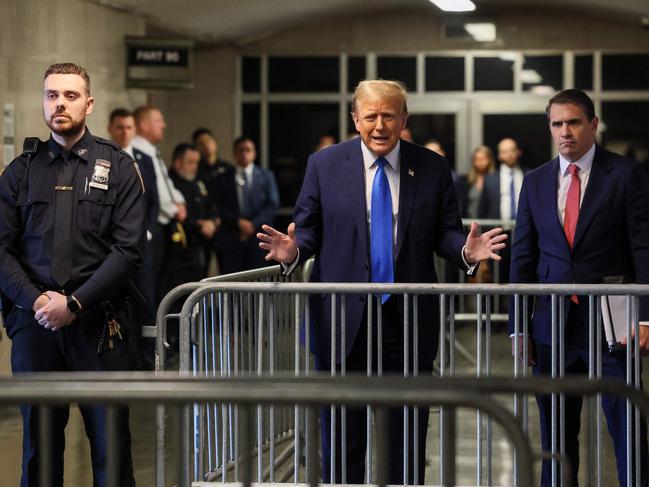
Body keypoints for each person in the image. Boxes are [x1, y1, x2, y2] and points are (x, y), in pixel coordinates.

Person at [258, 79, 506, 484]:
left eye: (388, 115)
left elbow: (445, 231)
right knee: (341, 439)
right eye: (370, 115)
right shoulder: (324, 165)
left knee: (405, 439)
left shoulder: (431, 166)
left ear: (403, 119)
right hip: (341, 322)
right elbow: (307, 231)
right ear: (355, 119)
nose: (379, 125)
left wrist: (465, 251)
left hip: (406, 321)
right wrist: (294, 251)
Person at [0, 62, 143, 486]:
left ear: (89, 103)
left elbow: (128, 250)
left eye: (70, 95)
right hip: (36, 325)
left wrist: (76, 303)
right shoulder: (19, 172)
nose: (60, 103)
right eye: (51, 95)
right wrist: (36, 301)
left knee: (111, 450)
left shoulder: (118, 169)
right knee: (39, 454)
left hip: (101, 326)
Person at [509, 89, 649, 487]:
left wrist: (647, 317)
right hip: (551, 327)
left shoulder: (625, 174)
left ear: (593, 125)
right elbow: (522, 259)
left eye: (573, 122)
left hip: (612, 324)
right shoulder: (535, 182)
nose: (565, 132)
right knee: (555, 435)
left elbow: (644, 248)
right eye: (557, 124)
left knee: (627, 427)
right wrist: (518, 326)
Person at [132, 105, 186, 303]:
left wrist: (179, 200)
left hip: (162, 226)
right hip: (151, 227)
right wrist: (173, 208)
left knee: (161, 282)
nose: (163, 125)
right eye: (158, 121)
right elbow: (156, 193)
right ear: (144, 125)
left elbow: (166, 183)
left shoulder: (152, 152)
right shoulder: (139, 153)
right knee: (151, 285)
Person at [218, 135, 280, 274]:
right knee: (232, 281)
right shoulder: (224, 177)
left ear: (254, 153)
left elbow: (273, 205)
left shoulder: (266, 175)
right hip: (233, 237)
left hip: (259, 237)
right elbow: (219, 206)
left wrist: (252, 225)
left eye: (248, 150)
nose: (244, 154)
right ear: (234, 153)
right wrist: (239, 223)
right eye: (240, 150)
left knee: (258, 280)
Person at [163, 142, 218, 291]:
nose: (195, 167)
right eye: (190, 162)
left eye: (196, 162)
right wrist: (200, 225)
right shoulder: (169, 184)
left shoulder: (197, 183)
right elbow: (177, 215)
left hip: (199, 249)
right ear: (177, 162)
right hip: (177, 252)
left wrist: (212, 222)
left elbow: (210, 205)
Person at [192, 127, 235, 275]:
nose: (206, 145)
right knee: (202, 270)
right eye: (201, 143)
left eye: (208, 141)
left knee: (228, 270)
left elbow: (232, 200)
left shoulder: (227, 168)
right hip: (205, 226)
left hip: (225, 226)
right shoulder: (195, 170)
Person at [479, 137, 525, 220]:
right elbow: (483, 208)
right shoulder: (490, 179)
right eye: (504, 152)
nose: (509, 154)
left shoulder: (529, 175)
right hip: (498, 228)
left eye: (512, 150)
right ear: (499, 155)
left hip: (525, 228)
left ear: (519, 152)